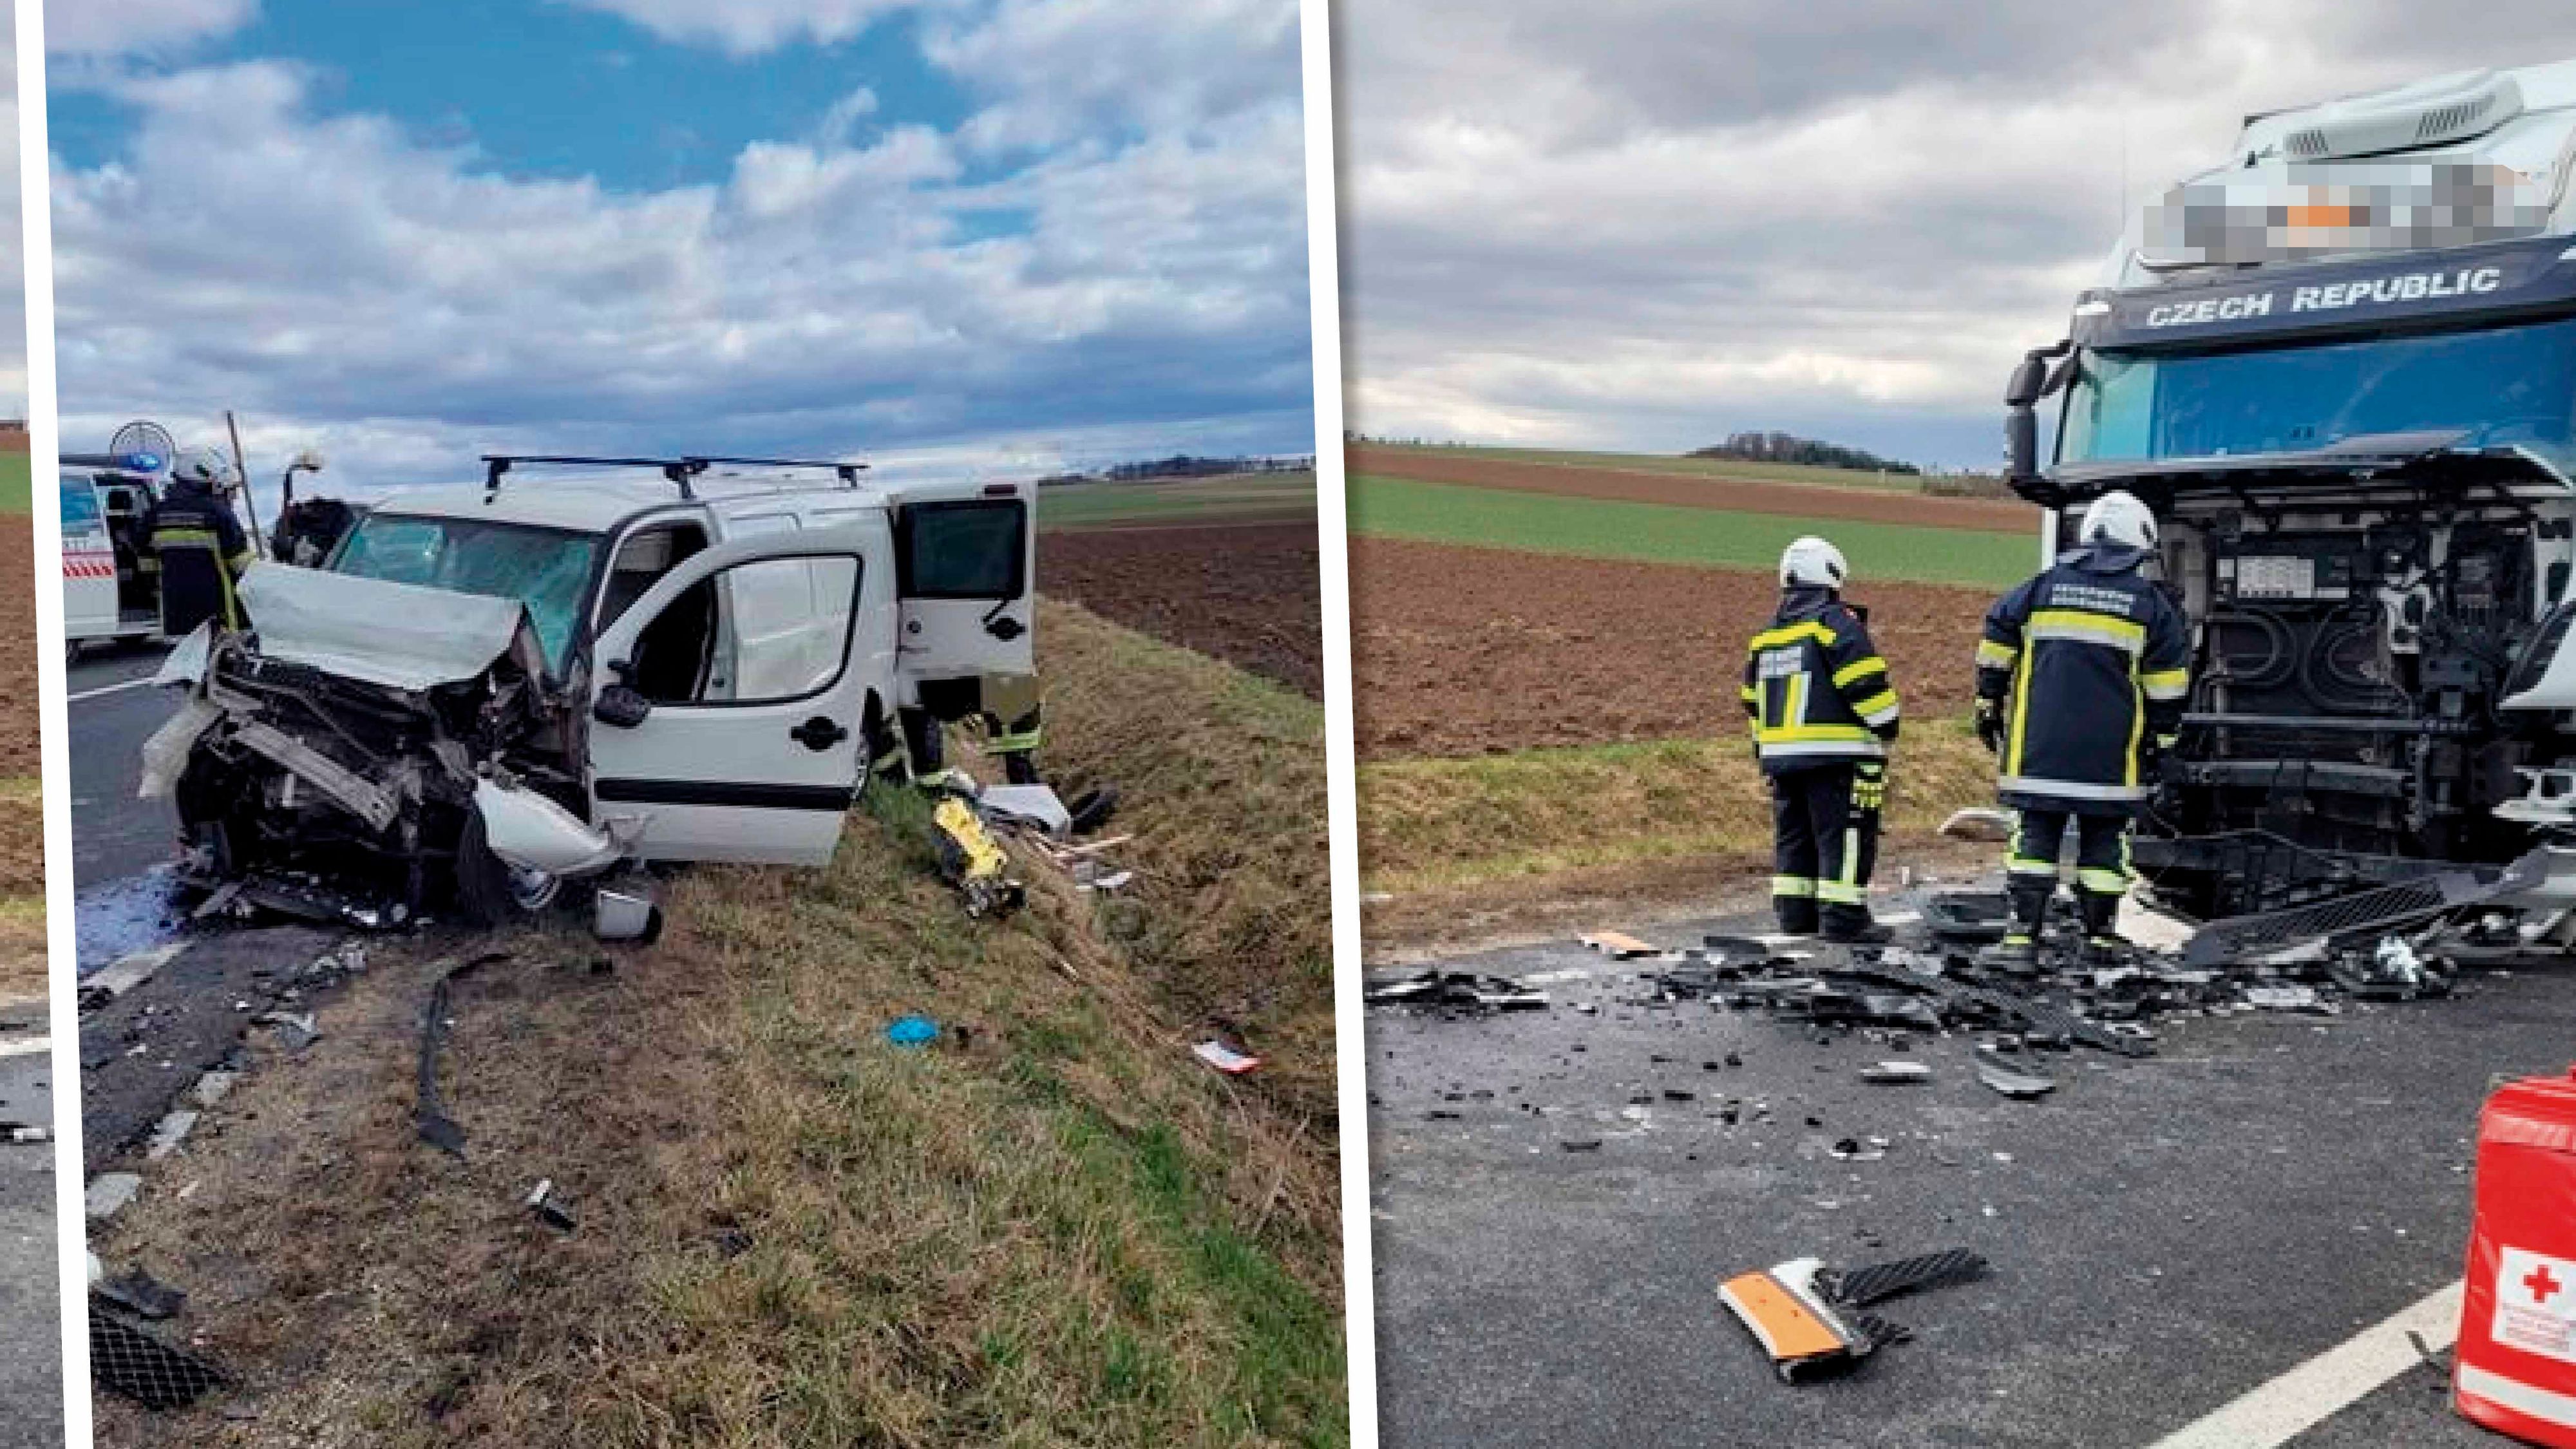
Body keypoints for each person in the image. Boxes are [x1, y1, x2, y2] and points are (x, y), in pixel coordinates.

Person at [1973, 490, 2190, 968]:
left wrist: (1988, 702)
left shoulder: (2040, 588)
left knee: (2034, 841)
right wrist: (2163, 744)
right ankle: (2099, 942)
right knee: (2104, 846)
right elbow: (2168, 691)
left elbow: (1997, 636)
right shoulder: (2150, 606)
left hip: (2038, 750)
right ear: (2140, 545)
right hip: (2110, 757)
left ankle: (2020, 943)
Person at [1741, 536, 1900, 943]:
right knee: (1844, 836)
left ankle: (1796, 916)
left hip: (1781, 759)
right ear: (1831, 575)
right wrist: (1886, 725)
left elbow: (1752, 702)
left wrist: (1765, 750)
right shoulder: (1834, 624)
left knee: (1794, 837)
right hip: (1835, 757)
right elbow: (1864, 683)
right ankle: (1844, 920)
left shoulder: (1767, 636)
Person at [144, 446, 257, 638]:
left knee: (187, 658)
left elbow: (145, 558)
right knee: (222, 658)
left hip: (175, 606)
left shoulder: (156, 513)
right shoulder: (218, 513)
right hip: (218, 605)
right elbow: (239, 563)